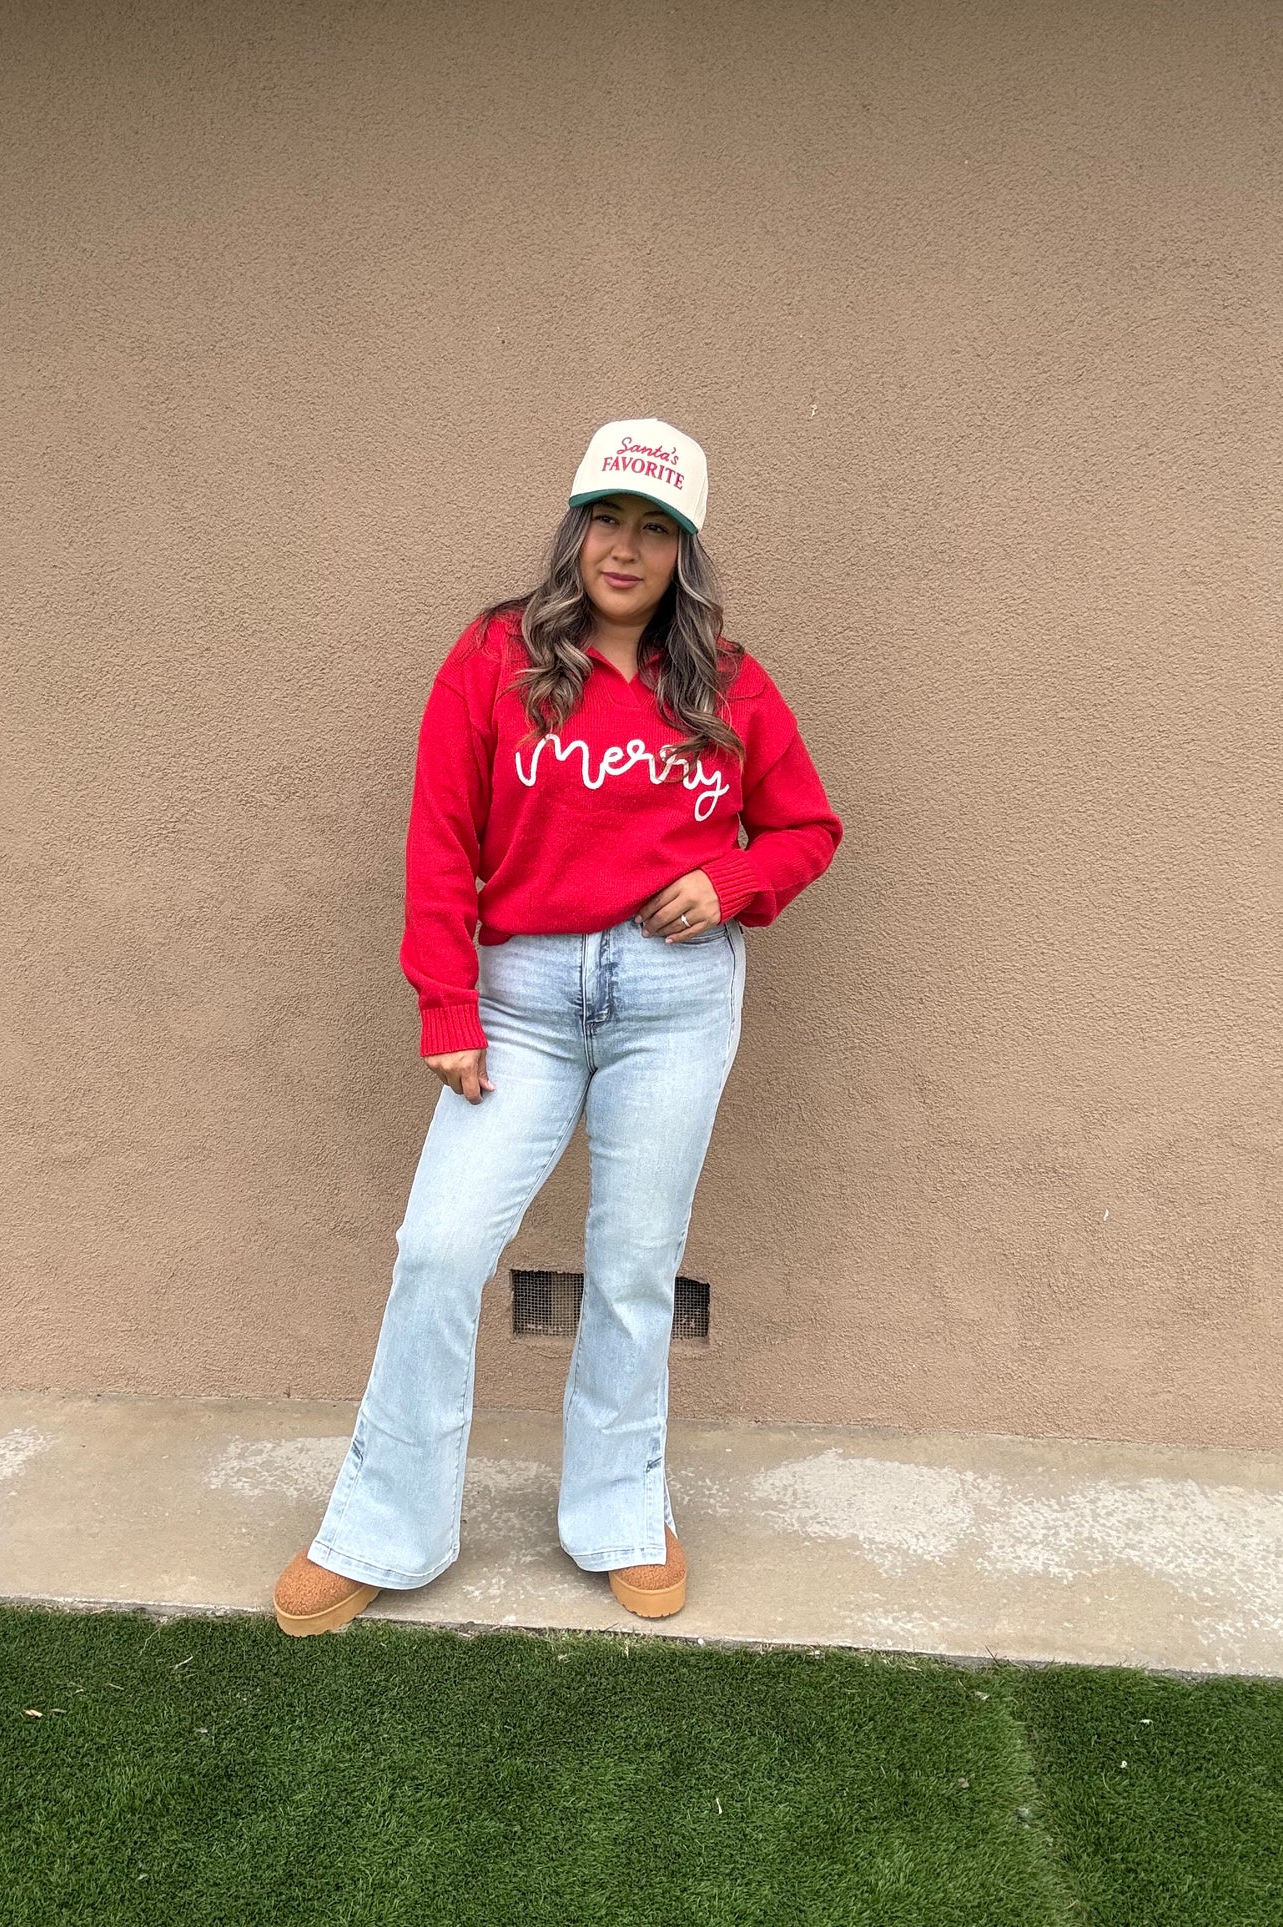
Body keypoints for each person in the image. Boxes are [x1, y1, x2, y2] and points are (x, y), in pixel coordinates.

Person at [272, 416, 843, 1636]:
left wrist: (734, 883)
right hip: (522, 1000)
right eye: (606, 519)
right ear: (574, 527)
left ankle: (621, 1515)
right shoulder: (493, 659)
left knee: (633, 1264)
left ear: (683, 552)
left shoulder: (728, 683)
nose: (623, 548)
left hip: (672, 1002)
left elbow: (805, 828)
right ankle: (385, 1525)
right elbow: (440, 840)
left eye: (654, 529)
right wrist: (447, 1001)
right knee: (436, 1249)